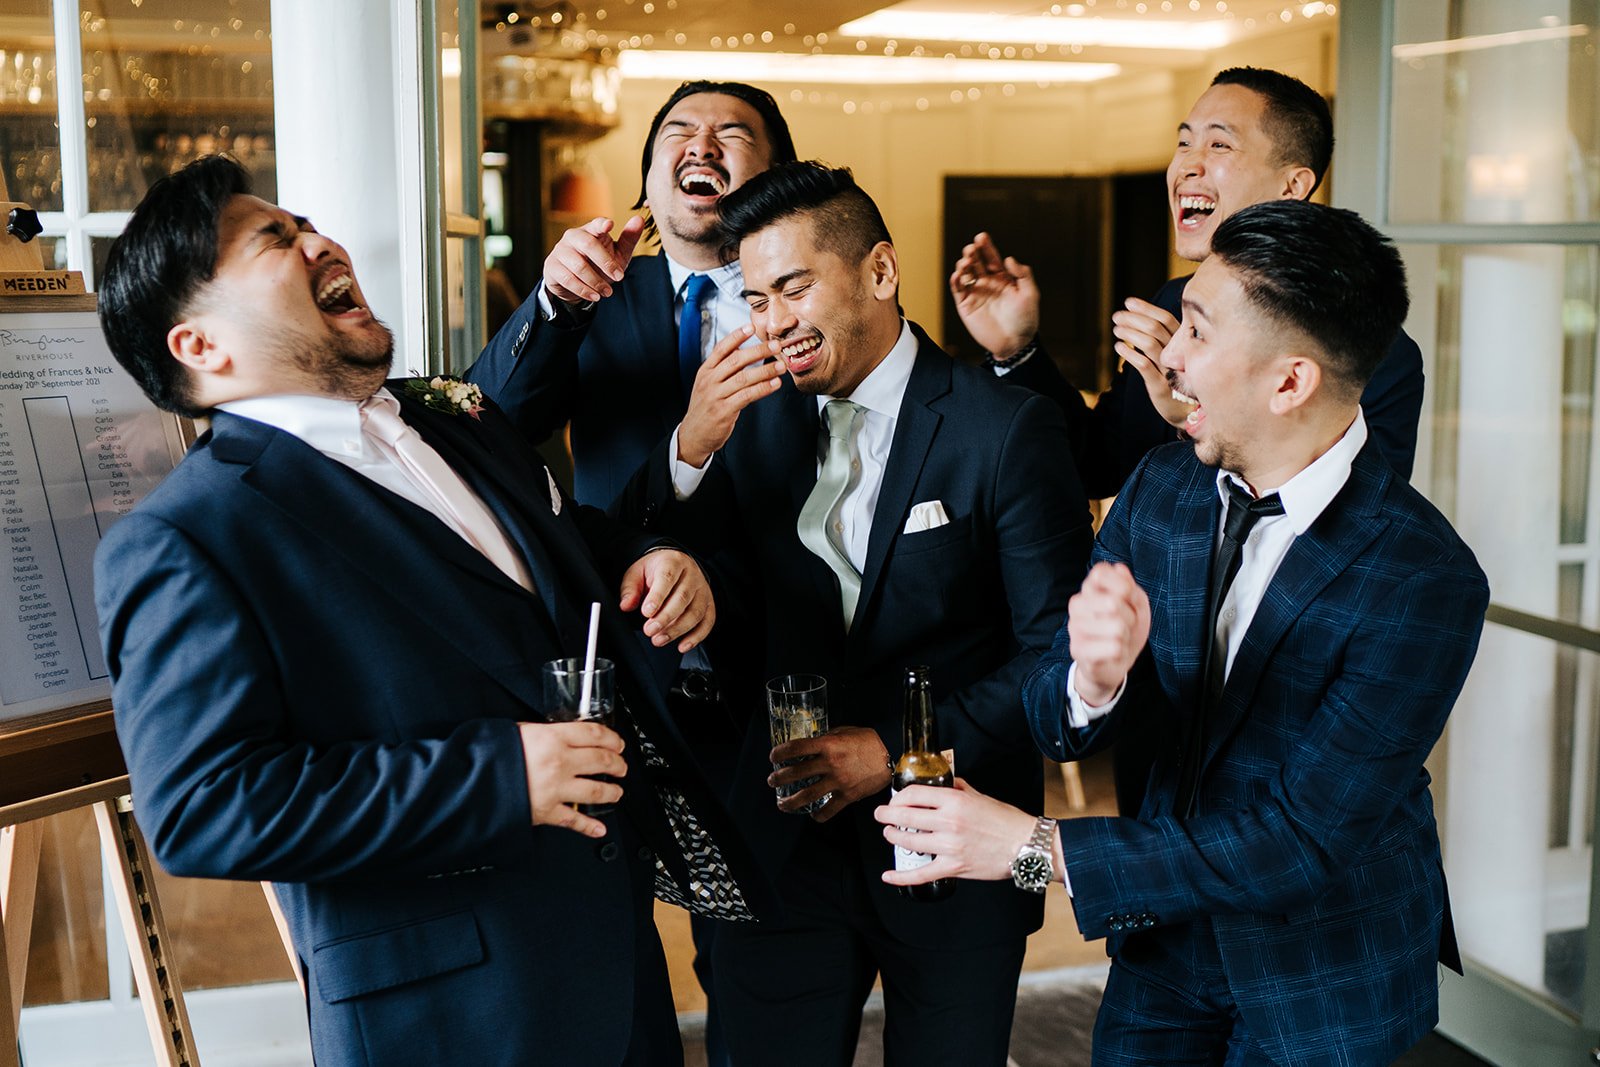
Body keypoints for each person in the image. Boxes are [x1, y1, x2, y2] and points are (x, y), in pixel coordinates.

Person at [92, 155, 774, 1066]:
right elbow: (202, 806)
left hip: (611, 957)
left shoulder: (452, 416)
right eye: (276, 240)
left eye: (306, 224)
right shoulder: (190, 537)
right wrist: (497, 776)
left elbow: (563, 538)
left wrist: (649, 558)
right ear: (202, 347)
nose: (320, 242)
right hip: (453, 1010)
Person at [879, 199, 1488, 1067]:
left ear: (1290, 381)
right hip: (1161, 951)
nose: (1167, 357)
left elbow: (1300, 838)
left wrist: (1030, 849)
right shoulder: (1162, 486)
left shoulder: (1425, 577)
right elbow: (1054, 716)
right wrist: (1094, 679)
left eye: (1197, 332)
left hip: (1323, 975)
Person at [619, 160, 1093, 1065]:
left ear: (879, 272)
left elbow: (1054, 660)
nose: (774, 324)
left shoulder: (1007, 429)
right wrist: (690, 442)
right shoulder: (752, 419)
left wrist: (895, 750)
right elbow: (640, 539)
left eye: (794, 288)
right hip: (781, 846)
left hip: (959, 847)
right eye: (756, 300)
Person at [951, 66, 1426, 499]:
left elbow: (1359, 523)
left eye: (1219, 145)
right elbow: (1095, 465)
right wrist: (1018, 349)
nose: (1187, 166)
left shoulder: (1374, 350)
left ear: (1292, 187)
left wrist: (1194, 419)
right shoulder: (1171, 305)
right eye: (1184, 143)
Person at [472, 79, 796, 510]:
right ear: (648, 180)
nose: (701, 146)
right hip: (618, 570)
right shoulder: (594, 297)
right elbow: (488, 426)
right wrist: (558, 303)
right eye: (679, 131)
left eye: (731, 133)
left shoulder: (811, 300)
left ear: (776, 178)